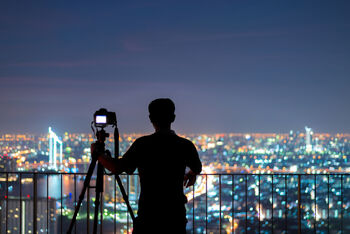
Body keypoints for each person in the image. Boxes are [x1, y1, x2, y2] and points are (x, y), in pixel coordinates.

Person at [94, 98, 202, 234]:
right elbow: (197, 167)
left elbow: (117, 167)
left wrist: (98, 155)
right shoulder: (185, 145)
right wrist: (190, 175)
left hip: (148, 215)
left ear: (151, 118)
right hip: (175, 215)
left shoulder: (142, 144)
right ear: (173, 118)